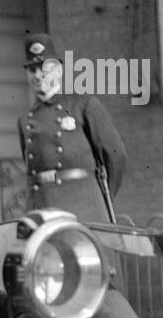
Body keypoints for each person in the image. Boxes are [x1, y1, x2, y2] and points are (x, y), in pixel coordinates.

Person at [18, 33, 127, 223]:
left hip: (84, 209)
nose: (38, 75)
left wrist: (101, 196)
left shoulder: (83, 105)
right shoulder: (25, 119)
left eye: (44, 68)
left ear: (59, 71)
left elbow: (116, 155)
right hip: (44, 210)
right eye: (32, 70)